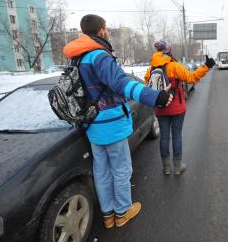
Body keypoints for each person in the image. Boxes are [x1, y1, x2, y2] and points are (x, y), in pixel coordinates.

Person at [63, 15, 173, 229]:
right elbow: (121, 83)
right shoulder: (99, 55)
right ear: (101, 31)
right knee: (121, 170)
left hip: (92, 124)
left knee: (101, 172)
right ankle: (122, 212)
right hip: (111, 124)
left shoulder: (78, 58)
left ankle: (108, 215)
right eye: (107, 29)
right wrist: (155, 96)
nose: (108, 32)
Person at [145, 41, 216, 175]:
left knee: (164, 137)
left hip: (160, 108)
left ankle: (166, 168)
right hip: (177, 107)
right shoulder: (174, 66)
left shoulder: (151, 69)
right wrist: (206, 66)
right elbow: (191, 78)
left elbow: (148, 86)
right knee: (176, 136)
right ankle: (177, 167)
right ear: (168, 51)